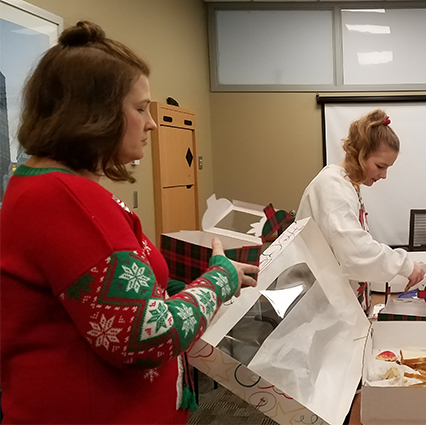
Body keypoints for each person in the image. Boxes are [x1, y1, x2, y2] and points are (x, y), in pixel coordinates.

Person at [0, 21, 258, 424]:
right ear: (93, 114)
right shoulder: (67, 198)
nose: (152, 123)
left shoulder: (47, 187)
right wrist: (219, 281)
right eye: (140, 109)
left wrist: (187, 288)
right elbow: (146, 336)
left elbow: (122, 295)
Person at [296, 109, 425, 313]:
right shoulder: (332, 187)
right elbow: (354, 252)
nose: (384, 175)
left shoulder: (347, 185)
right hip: (320, 306)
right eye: (380, 166)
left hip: (334, 301)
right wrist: (405, 265)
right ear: (361, 153)